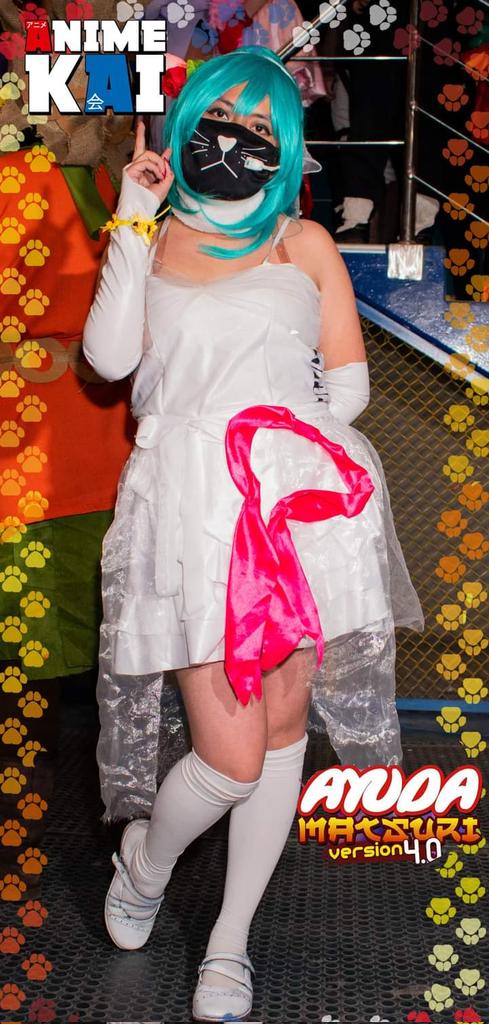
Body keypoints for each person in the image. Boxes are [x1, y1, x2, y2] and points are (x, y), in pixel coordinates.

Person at [82, 45, 424, 1022]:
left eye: (265, 128)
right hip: (189, 513)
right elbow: (109, 360)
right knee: (228, 755)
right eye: (225, 118)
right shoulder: (153, 236)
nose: (240, 140)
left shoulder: (302, 242)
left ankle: (228, 945)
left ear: (289, 145)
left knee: (278, 732)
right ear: (190, 123)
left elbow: (347, 385)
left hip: (290, 511)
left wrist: (283, 442)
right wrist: (134, 213)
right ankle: (145, 863)